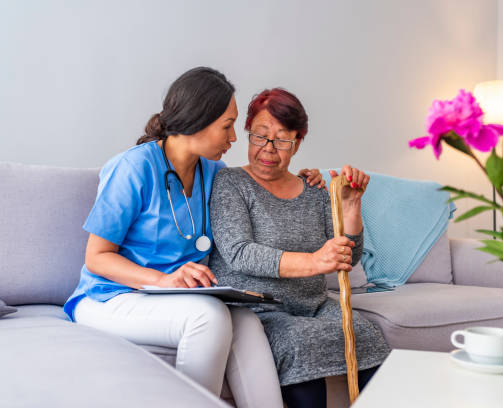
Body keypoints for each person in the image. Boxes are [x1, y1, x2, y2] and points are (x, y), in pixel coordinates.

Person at [63, 68, 323, 406]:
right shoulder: (133, 168)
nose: (233, 139)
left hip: (178, 297)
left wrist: (306, 180)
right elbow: (97, 257)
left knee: (245, 321)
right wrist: (163, 280)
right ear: (198, 120)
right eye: (227, 126)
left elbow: (259, 195)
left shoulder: (213, 172)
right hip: (110, 297)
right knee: (209, 318)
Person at [209, 88, 391, 408]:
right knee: (302, 341)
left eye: (282, 140)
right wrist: (314, 260)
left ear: (298, 143)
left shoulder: (314, 189)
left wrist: (351, 206)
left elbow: (349, 256)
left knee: (367, 336)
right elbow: (239, 252)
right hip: (258, 309)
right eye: (260, 136)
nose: (268, 149)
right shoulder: (231, 183)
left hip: (313, 302)